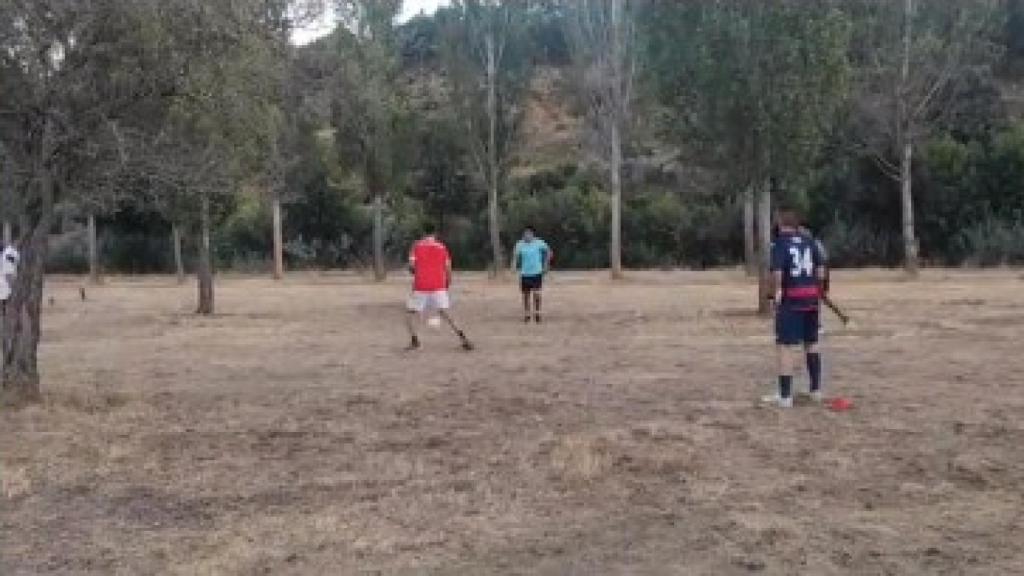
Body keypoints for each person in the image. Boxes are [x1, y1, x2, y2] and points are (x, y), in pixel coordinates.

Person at [767, 209, 826, 408]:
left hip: (791, 299)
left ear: (780, 224)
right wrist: (818, 289)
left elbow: (777, 272)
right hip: (811, 298)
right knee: (812, 342)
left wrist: (776, 293)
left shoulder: (779, 244)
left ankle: (785, 397)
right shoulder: (810, 241)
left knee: (785, 346)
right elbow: (820, 270)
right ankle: (816, 390)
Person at [405, 223, 473, 351]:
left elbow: (411, 266)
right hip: (438, 285)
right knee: (446, 312)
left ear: (423, 233)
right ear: (434, 233)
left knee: (411, 314)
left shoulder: (416, 246)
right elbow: (448, 267)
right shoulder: (442, 247)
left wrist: (417, 272)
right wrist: (447, 282)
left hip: (421, 285)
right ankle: (463, 338)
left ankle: (415, 341)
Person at [511, 226, 553, 323]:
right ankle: (527, 314)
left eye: (529, 234)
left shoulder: (539, 243)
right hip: (525, 273)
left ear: (533, 234)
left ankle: (537, 313)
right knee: (526, 295)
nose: (527, 236)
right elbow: (515, 256)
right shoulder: (519, 244)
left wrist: (546, 265)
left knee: (537, 294)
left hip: (537, 272)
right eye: (525, 234)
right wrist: (513, 266)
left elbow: (549, 252)